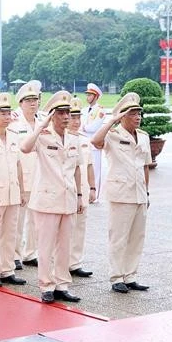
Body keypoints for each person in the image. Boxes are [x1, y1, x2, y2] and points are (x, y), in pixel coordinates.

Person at [20, 91, 84, 304]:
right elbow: (24, 147)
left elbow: (76, 168)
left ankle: (62, 285)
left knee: (65, 245)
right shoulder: (42, 136)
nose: (66, 117)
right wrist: (41, 126)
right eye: (61, 113)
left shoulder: (74, 139)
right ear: (52, 115)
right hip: (47, 200)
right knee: (46, 246)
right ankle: (46, 285)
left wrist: (80, 195)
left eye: (68, 113)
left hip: (68, 198)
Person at [90, 92, 151, 294]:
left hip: (139, 193)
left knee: (136, 237)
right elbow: (95, 141)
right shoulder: (113, 135)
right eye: (132, 113)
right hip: (121, 194)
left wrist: (147, 193)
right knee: (118, 238)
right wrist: (111, 120)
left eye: (139, 113)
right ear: (123, 116)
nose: (137, 117)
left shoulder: (143, 136)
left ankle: (130, 275)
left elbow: (145, 166)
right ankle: (116, 277)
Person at [0, 93, 27, 287]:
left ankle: (7, 269)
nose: (7, 117)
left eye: (9, 113)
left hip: (12, 192)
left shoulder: (14, 136)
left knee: (11, 233)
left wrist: (22, 190)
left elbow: (18, 165)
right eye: (2, 113)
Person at [11, 80, 43, 269]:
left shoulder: (42, 122)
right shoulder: (14, 123)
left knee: (34, 220)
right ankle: (14, 254)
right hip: (21, 177)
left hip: (39, 177)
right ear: (21, 103)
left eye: (35, 100)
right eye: (28, 100)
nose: (32, 103)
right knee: (17, 220)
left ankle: (30, 252)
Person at [68, 97, 96, 278]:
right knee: (65, 229)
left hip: (83, 189)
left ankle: (75, 262)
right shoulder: (61, 139)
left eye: (78, 117)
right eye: (73, 117)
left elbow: (89, 165)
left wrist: (93, 188)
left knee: (80, 227)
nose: (76, 121)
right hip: (68, 189)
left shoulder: (84, 139)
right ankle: (62, 262)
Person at [81, 83, 106, 200]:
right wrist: (84, 127)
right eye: (87, 95)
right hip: (84, 144)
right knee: (85, 169)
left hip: (94, 144)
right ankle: (86, 193)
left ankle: (95, 196)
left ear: (96, 96)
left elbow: (94, 127)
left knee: (95, 170)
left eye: (90, 95)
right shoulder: (84, 110)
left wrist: (84, 127)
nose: (87, 97)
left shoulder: (100, 110)